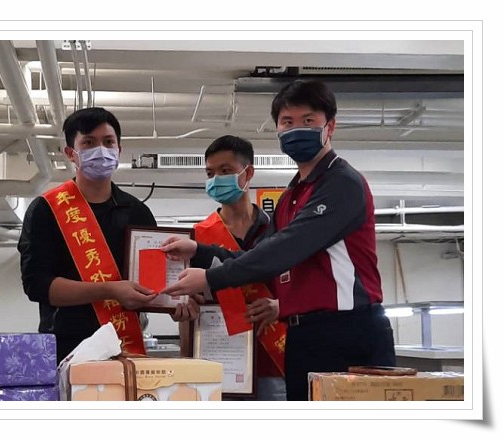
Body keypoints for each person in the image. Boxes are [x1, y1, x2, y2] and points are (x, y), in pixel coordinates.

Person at [161, 80, 396, 401]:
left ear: (330, 126)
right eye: (287, 122)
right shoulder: (291, 197)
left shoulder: (342, 183)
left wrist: (211, 278)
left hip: (348, 331)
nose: (296, 129)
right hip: (304, 334)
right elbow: (260, 254)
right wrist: (198, 250)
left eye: (308, 120)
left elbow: (286, 249)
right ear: (278, 130)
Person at [17, 107, 199, 363]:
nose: (101, 150)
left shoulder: (137, 212)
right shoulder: (47, 210)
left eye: (108, 142)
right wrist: (111, 289)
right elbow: (37, 286)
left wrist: (172, 304)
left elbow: (152, 283)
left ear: (119, 149)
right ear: (70, 153)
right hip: (66, 351)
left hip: (124, 350)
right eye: (89, 143)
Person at [191, 135, 286, 401]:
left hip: (273, 362)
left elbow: (302, 283)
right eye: (210, 173)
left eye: (225, 171)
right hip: (218, 360)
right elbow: (190, 303)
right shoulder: (197, 237)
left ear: (248, 173)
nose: (216, 179)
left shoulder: (280, 230)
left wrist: (282, 306)